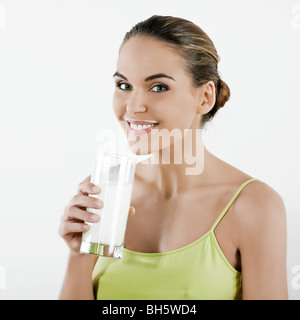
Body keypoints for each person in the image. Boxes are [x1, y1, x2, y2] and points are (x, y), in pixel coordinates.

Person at [58, 15, 288, 300]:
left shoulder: (254, 206)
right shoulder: (105, 192)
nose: (133, 106)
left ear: (205, 97)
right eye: (124, 85)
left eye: (158, 87)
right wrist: (79, 253)